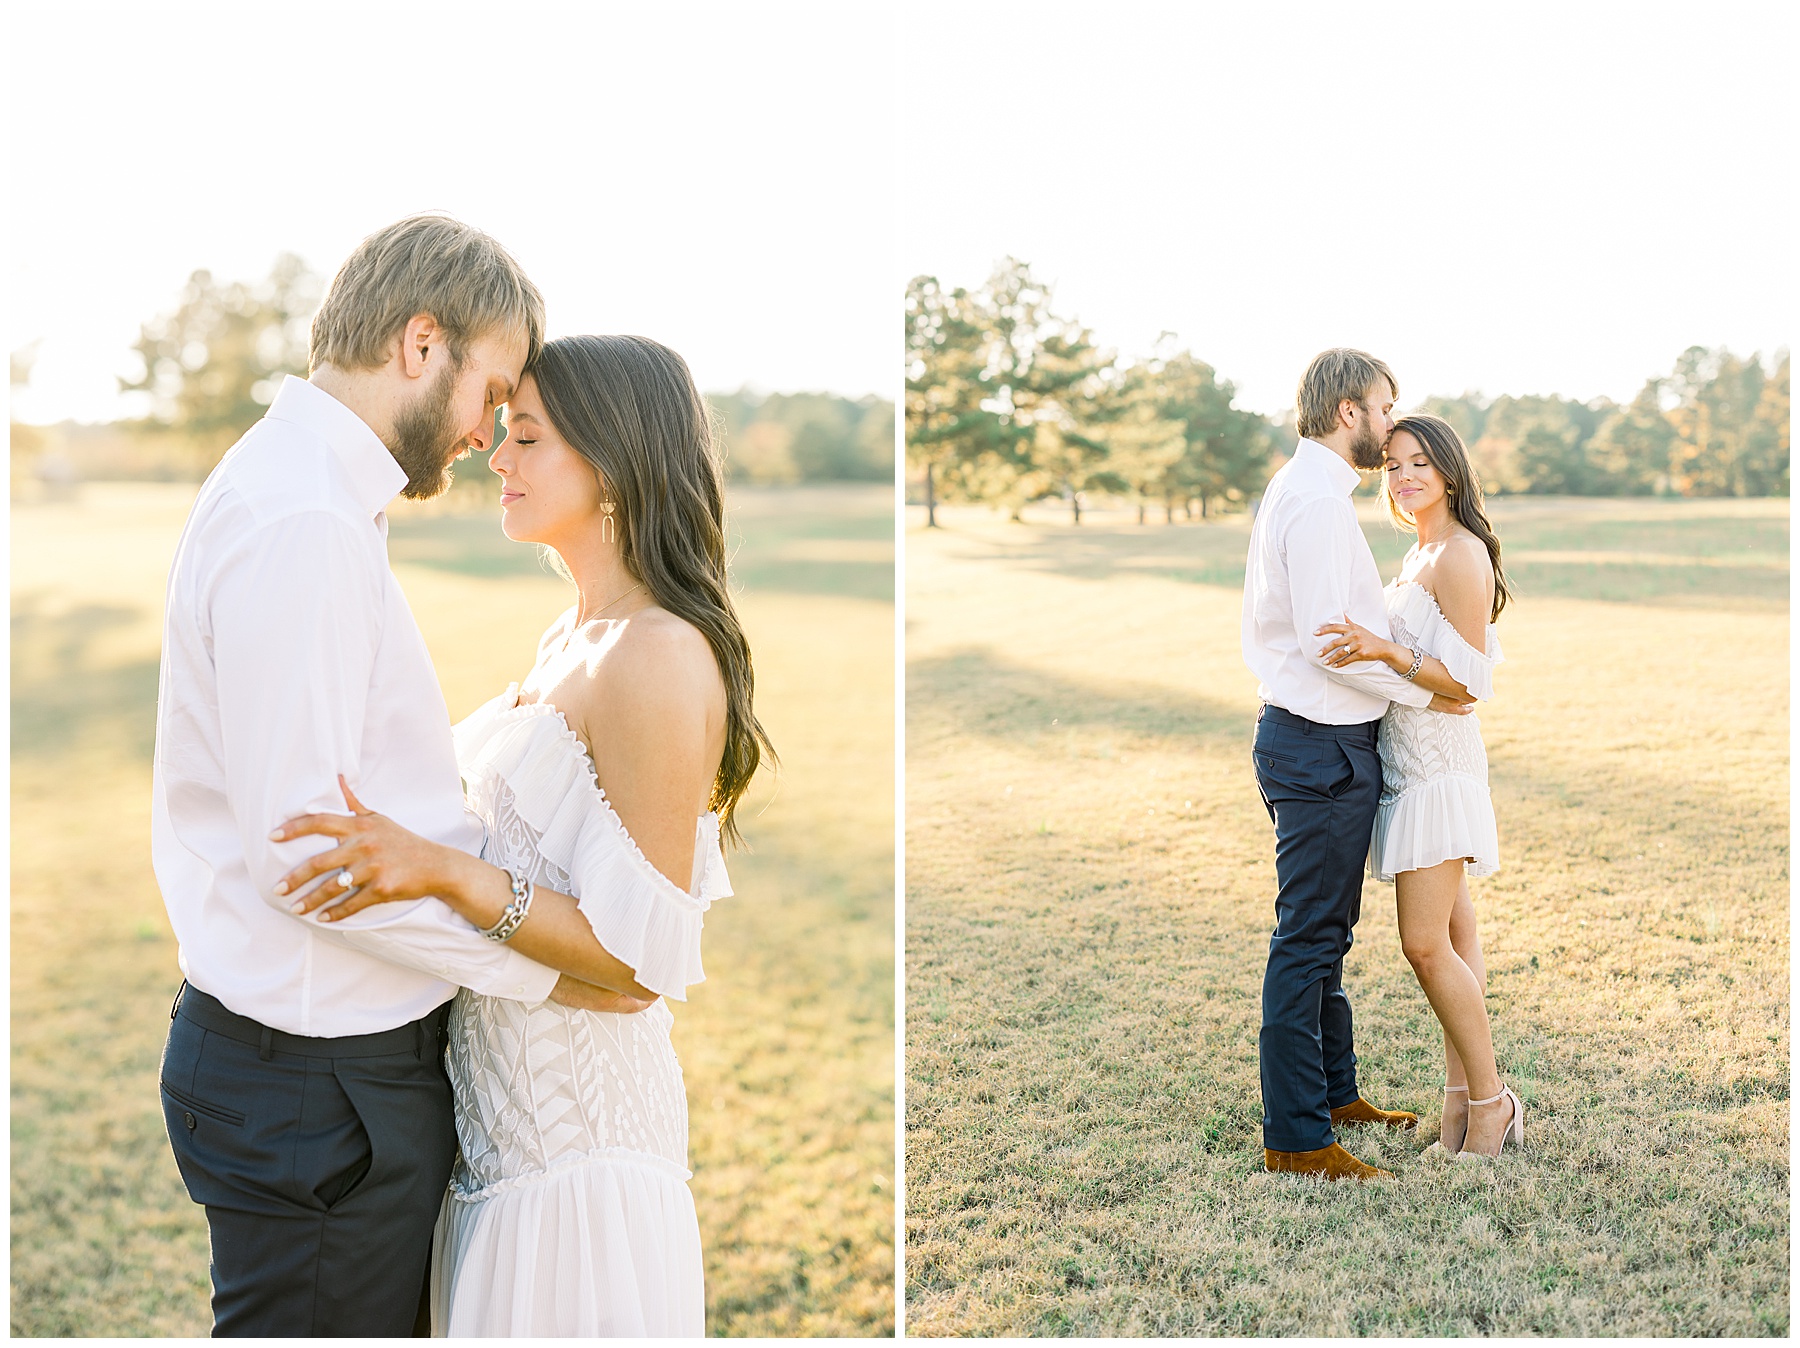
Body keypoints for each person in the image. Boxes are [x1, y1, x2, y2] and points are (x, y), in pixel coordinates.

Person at [152, 215, 648, 1336]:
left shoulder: (305, 492)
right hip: (319, 1089)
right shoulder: (307, 521)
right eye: (495, 388)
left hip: (308, 1074)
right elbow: (311, 861)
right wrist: (543, 972)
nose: (489, 430)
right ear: (423, 342)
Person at [274, 333, 772, 1334]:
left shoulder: (657, 656)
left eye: (529, 437)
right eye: (503, 431)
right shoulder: (569, 636)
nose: (496, 456)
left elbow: (634, 971)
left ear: (614, 460)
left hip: (579, 1163)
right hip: (498, 1145)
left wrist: (446, 875)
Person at [1240, 349, 1473, 1181]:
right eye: (1384, 406)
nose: (1389, 420)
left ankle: (1337, 1096)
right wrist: (1428, 692)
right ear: (1349, 411)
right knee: (1306, 941)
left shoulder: (1304, 491)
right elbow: (1330, 644)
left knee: (1326, 938)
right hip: (1321, 744)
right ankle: (1299, 1139)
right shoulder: (1316, 505)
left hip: (1318, 740)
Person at [1314, 413, 1520, 1158]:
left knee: (1424, 943)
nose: (1403, 477)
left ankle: (1492, 1106)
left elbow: (1466, 689)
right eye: (1393, 465)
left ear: (1451, 473)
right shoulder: (1417, 554)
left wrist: (1381, 650)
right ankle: (1460, 1106)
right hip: (1406, 764)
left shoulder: (1459, 556)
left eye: (1419, 464)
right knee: (1457, 937)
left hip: (1438, 767)